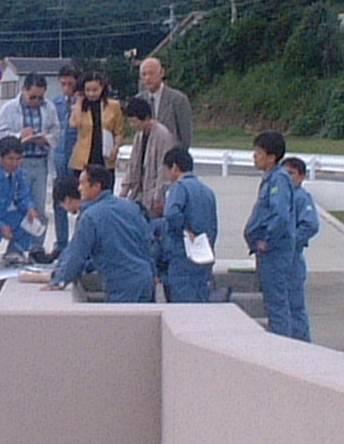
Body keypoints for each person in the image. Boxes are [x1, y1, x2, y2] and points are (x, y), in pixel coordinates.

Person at [46, 164, 155, 303]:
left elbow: (77, 254)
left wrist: (59, 280)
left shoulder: (90, 217)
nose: (79, 188)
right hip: (145, 278)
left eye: (82, 183)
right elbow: (148, 242)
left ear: (96, 186)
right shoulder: (131, 207)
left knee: (120, 324)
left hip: (120, 283)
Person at [0, 73, 59, 262]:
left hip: (40, 161)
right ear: (23, 91)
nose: (36, 101)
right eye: (33, 97)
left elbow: (56, 131)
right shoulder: (9, 108)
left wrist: (44, 139)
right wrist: (19, 136)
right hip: (17, 163)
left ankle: (36, 247)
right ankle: (15, 249)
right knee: (18, 206)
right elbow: (0, 134)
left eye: (40, 97)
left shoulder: (49, 108)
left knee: (38, 208)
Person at [244, 131, 297, 338]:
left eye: (258, 152)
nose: (254, 156)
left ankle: (282, 346)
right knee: (272, 301)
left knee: (277, 303)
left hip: (275, 251)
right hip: (268, 251)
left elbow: (280, 215)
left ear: (272, 157)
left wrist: (268, 239)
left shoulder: (279, 180)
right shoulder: (271, 179)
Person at [157, 148, 218, 303]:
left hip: (182, 254)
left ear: (175, 167)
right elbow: (213, 226)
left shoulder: (179, 187)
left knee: (182, 304)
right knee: (200, 302)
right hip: (204, 254)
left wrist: (185, 229)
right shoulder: (207, 191)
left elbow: (171, 214)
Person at [0, 136, 40, 267]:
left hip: (5, 213)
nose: (15, 163)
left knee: (30, 223)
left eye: (18, 159)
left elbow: (23, 194)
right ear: (0, 157)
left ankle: (14, 253)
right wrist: (0, 226)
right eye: (10, 159)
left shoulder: (18, 173)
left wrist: (30, 208)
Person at [283, 156, 320, 343]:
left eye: (292, 174)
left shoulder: (301, 197)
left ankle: (302, 345)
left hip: (292, 259)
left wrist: (290, 241)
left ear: (301, 177)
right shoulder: (282, 195)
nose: (288, 178)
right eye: (285, 173)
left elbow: (311, 225)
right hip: (279, 259)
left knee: (295, 307)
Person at [121, 97, 175, 217]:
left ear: (146, 118)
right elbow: (132, 165)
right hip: (139, 192)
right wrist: (124, 191)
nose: (132, 125)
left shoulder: (163, 135)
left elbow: (164, 169)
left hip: (154, 193)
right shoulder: (139, 136)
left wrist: (159, 196)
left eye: (135, 122)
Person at [50, 63, 80, 260]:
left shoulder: (83, 102)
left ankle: (79, 243)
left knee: (81, 201)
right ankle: (61, 243)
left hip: (78, 158)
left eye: (70, 83)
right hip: (60, 158)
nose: (66, 87)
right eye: (63, 84)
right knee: (59, 201)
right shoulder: (55, 104)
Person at [69, 71, 125, 172]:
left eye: (95, 90)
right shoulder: (80, 106)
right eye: (88, 90)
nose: (91, 94)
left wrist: (116, 148)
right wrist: (79, 101)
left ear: (102, 88)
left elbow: (119, 131)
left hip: (105, 156)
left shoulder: (114, 106)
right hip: (84, 158)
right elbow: (74, 123)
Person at [137, 55, 193, 149]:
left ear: (162, 73)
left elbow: (185, 137)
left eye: (151, 73)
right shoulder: (139, 100)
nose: (147, 78)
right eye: (144, 74)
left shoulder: (178, 100)